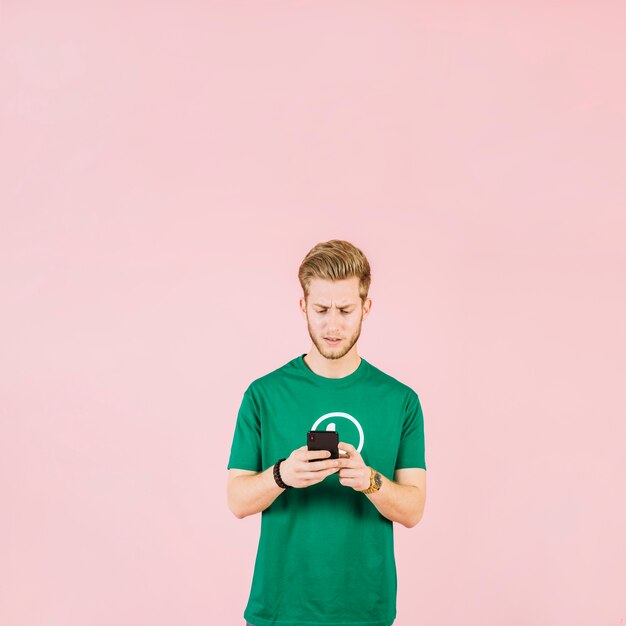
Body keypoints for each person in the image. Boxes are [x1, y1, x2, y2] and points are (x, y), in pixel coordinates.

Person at [226, 239, 427, 626]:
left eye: (346, 310)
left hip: (365, 611)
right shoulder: (263, 395)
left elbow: (414, 509)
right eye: (321, 309)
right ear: (302, 306)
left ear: (366, 308)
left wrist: (370, 481)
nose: (333, 325)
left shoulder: (401, 401)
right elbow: (237, 499)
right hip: (279, 610)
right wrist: (282, 475)